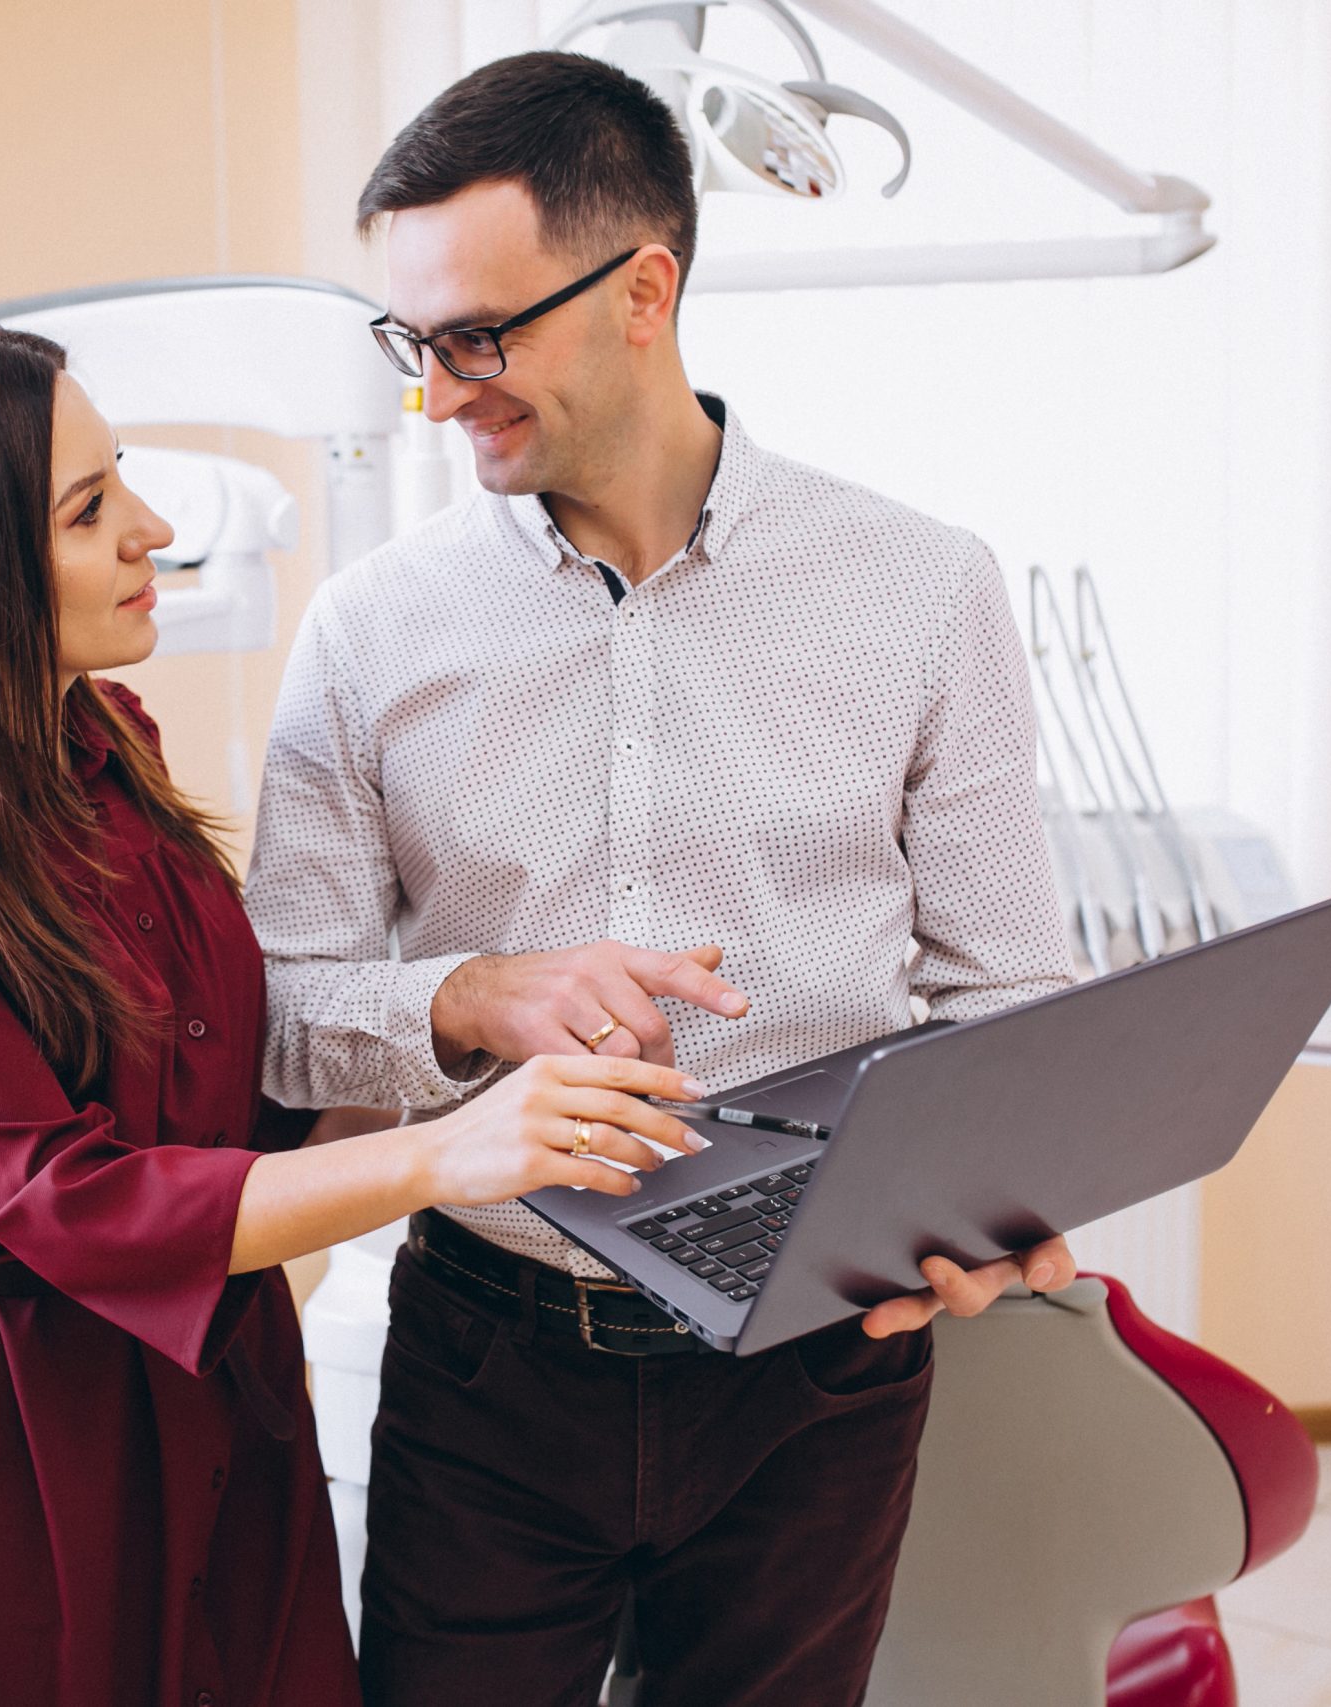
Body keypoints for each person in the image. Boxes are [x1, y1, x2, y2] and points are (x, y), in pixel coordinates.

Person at [244, 52, 1082, 1707]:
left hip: (817, 1371)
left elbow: (1011, 999)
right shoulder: (368, 630)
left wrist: (997, 1198)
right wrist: (474, 994)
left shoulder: (921, 591)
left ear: (646, 290)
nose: (437, 395)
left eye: (477, 339)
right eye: (411, 345)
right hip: (490, 1351)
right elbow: (280, 1013)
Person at [0, 321, 710, 1707]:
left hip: (217, 1382)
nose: (151, 530)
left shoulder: (110, 749)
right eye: (89, 512)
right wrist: (452, 1155)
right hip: (12, 1424)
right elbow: (62, 1197)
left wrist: (474, 1014)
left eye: (121, 479)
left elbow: (227, 1084)